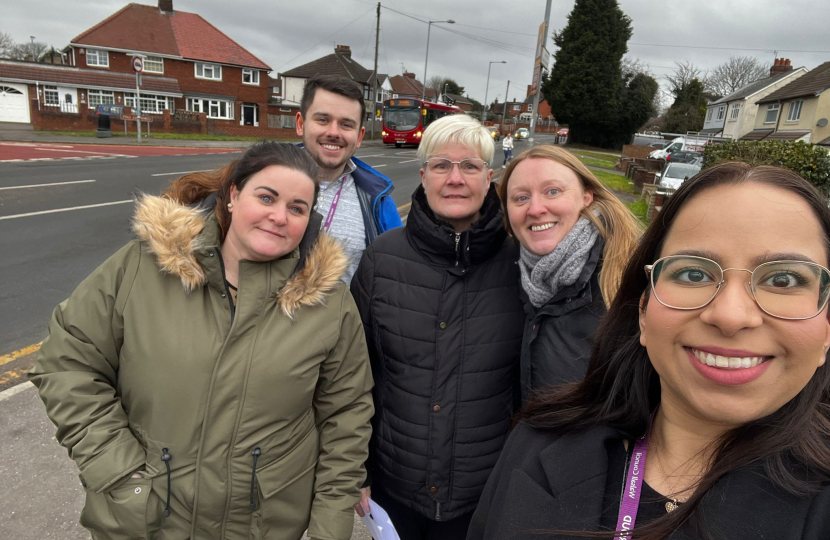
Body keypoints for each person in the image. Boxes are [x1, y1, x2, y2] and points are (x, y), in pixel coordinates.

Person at [29, 142, 374, 540]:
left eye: (296, 208)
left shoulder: (329, 303)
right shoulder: (143, 266)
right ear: (233, 196)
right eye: (267, 197)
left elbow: (346, 416)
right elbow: (67, 360)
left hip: (264, 526)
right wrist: (117, 469)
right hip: (144, 519)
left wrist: (331, 526)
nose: (279, 216)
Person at [468, 162, 830, 540]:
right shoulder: (534, 440)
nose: (730, 316)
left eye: (784, 279)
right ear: (643, 312)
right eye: (693, 273)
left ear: (826, 328)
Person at [350, 114, 525, 540]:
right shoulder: (381, 260)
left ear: (490, 177)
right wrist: (356, 467)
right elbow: (354, 376)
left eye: (470, 166)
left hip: (483, 491)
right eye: (442, 165)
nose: (455, 178)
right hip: (396, 487)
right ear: (423, 173)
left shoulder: (522, 261)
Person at [498, 145, 642, 403]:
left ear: (587, 196)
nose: (535, 209)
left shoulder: (629, 282)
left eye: (553, 191)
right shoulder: (510, 272)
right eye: (520, 198)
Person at [296, 75, 403, 283]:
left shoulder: (378, 200)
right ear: (301, 123)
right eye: (323, 120)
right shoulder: (259, 182)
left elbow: (397, 275)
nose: (334, 133)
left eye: (346, 125)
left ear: (360, 136)